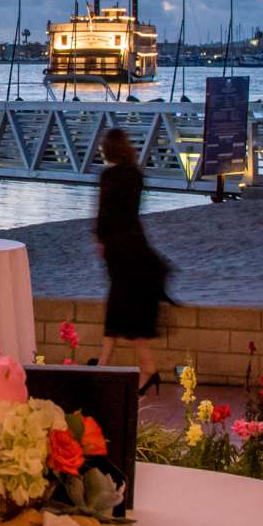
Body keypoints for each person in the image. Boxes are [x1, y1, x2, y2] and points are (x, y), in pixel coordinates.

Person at [93, 126, 168, 392]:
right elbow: (130, 211)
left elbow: (105, 213)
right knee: (121, 303)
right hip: (137, 244)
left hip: (117, 247)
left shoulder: (109, 176)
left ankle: (134, 366)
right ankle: (109, 364)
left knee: (119, 304)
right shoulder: (135, 175)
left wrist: (100, 240)